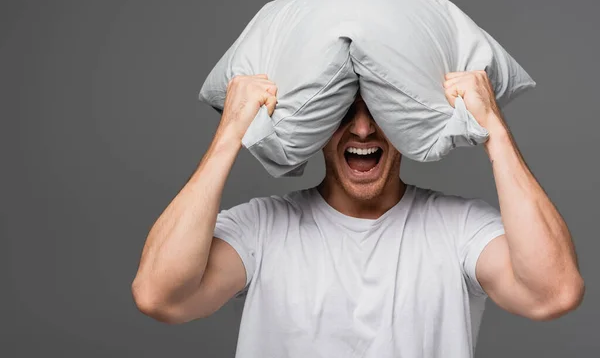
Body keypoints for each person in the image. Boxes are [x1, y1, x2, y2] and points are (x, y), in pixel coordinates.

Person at [131, 72, 584, 357]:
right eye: (344, 111)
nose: (363, 128)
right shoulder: (261, 228)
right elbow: (158, 295)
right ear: (315, 124)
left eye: (382, 111)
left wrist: (496, 132)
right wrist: (229, 134)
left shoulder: (459, 228)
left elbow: (554, 293)